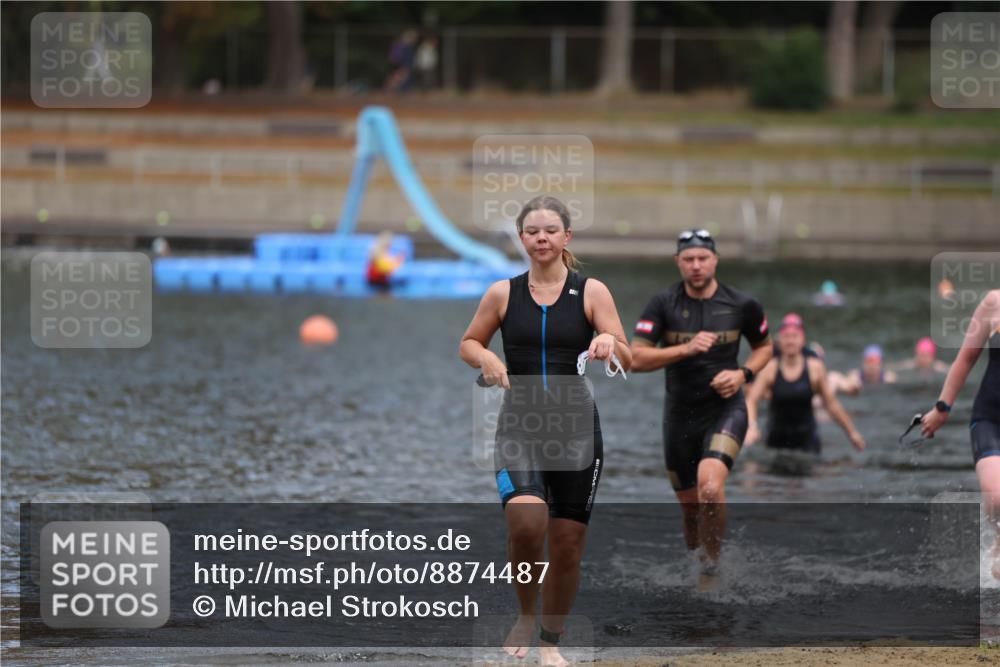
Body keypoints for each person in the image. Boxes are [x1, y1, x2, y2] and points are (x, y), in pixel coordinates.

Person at [459, 195, 631, 666]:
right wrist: (488, 357)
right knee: (527, 522)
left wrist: (607, 341)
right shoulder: (502, 293)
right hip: (520, 423)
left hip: (576, 427)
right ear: (522, 239)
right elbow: (468, 343)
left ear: (566, 238)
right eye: (532, 231)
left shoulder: (592, 291)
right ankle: (524, 613)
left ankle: (551, 642)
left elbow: (628, 354)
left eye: (551, 230)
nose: (541, 238)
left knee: (568, 545)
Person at [630, 228, 772, 584]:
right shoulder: (662, 304)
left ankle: (712, 566)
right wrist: (685, 348)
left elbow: (764, 347)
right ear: (678, 262)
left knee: (710, 486)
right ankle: (697, 566)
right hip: (679, 416)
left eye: (703, 258)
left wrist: (742, 374)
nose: (696, 266)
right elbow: (635, 358)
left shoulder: (742, 304)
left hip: (725, 409)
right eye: (688, 259)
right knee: (691, 508)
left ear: (715, 260)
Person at [921, 290, 1000, 577]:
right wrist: (942, 408)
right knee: (997, 497)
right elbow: (966, 359)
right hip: (991, 418)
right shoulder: (994, 303)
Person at [745, 313, 865, 454]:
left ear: (803, 340)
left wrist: (851, 433)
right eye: (787, 337)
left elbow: (831, 404)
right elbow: (751, 399)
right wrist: (752, 427)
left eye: (795, 337)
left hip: (807, 442)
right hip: (776, 440)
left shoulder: (815, 368)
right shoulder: (771, 368)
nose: (791, 341)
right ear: (779, 341)